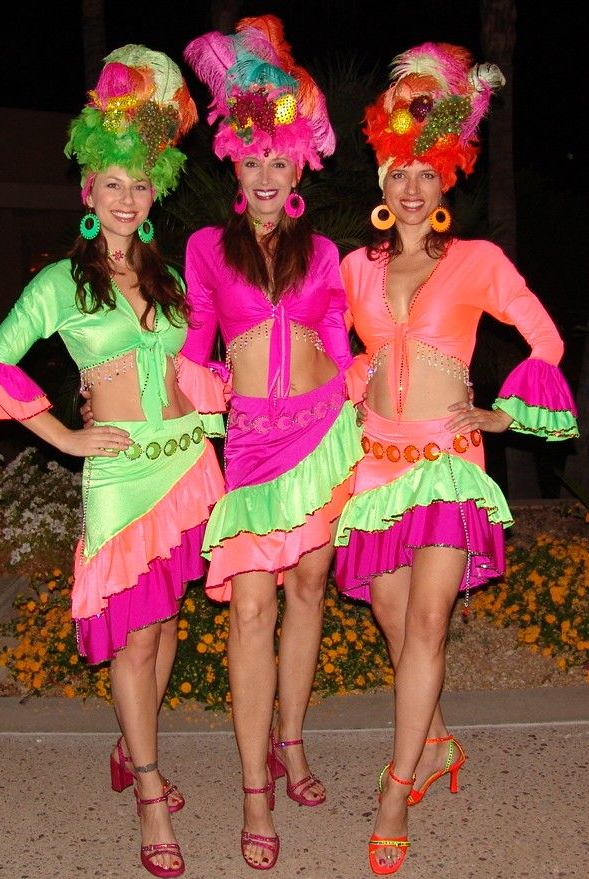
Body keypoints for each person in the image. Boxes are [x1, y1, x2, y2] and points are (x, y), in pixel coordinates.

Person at [0, 45, 226, 879]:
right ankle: (147, 788)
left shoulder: (170, 277)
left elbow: (191, 369)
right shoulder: (57, 286)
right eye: (112, 182)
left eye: (139, 183)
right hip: (118, 476)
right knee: (133, 641)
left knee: (167, 618)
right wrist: (67, 438)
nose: (126, 196)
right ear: (87, 191)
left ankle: (130, 746)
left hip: (186, 465)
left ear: (154, 191)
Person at [332, 42, 579, 875]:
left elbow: (542, 334)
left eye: (425, 173)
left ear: (446, 182)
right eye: (398, 170)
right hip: (374, 465)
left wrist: (503, 409)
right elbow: (328, 358)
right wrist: (348, 374)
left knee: (429, 622)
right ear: (381, 181)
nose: (411, 185)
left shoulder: (477, 262)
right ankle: (434, 742)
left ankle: (396, 787)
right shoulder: (351, 269)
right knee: (398, 626)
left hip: (446, 462)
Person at [182, 15, 363, 870]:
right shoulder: (205, 249)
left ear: (297, 165)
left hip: (321, 432)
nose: (263, 172)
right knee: (249, 605)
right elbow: (193, 344)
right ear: (235, 160)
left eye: (277, 159)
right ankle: (255, 783)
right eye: (250, 158)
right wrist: (176, 392)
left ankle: (291, 740)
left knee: (306, 591)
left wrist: (379, 389)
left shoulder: (323, 250)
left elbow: (338, 332)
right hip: (252, 443)